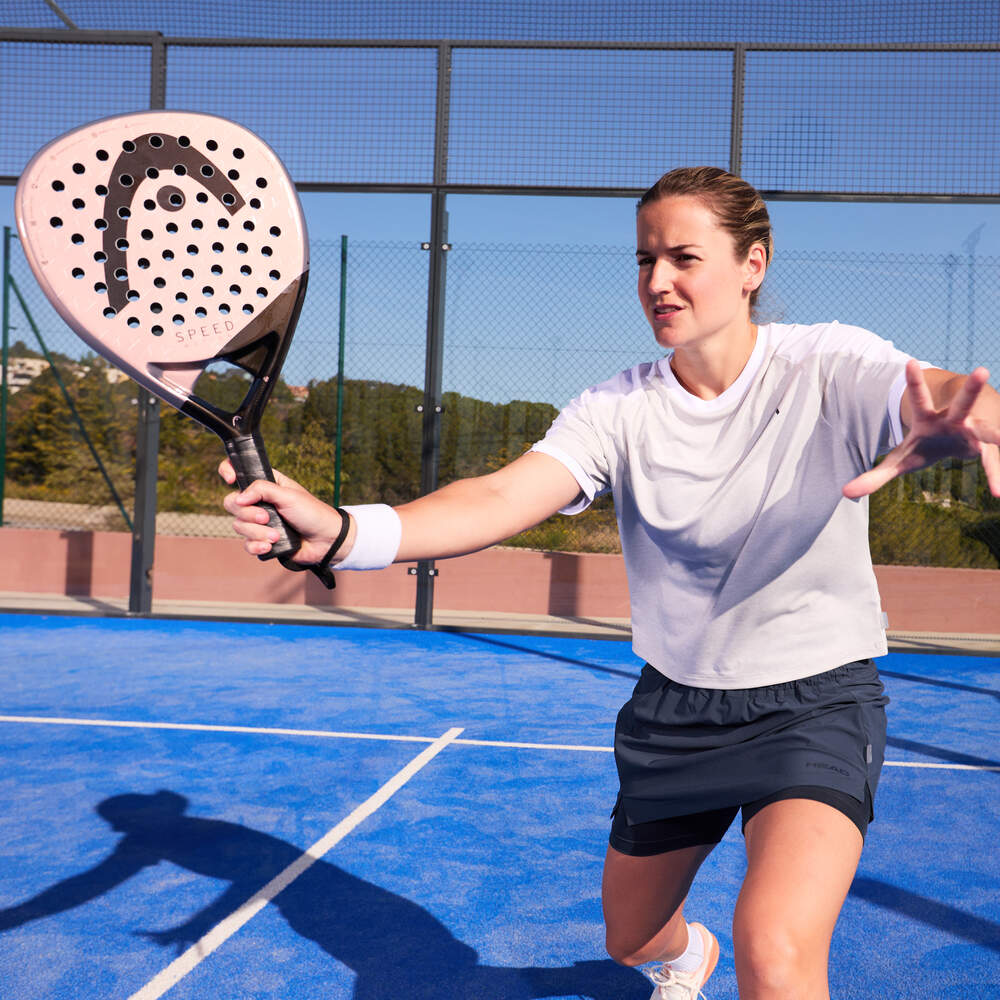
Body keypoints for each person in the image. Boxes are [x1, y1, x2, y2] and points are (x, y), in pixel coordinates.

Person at [221, 166, 1000, 999]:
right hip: (677, 711)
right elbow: (498, 497)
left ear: (753, 265)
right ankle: (682, 956)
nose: (658, 281)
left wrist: (968, 418)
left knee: (775, 947)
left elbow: (941, 397)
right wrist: (345, 532)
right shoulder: (617, 406)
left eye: (684, 258)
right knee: (630, 940)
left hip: (815, 702)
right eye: (643, 259)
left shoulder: (830, 362)